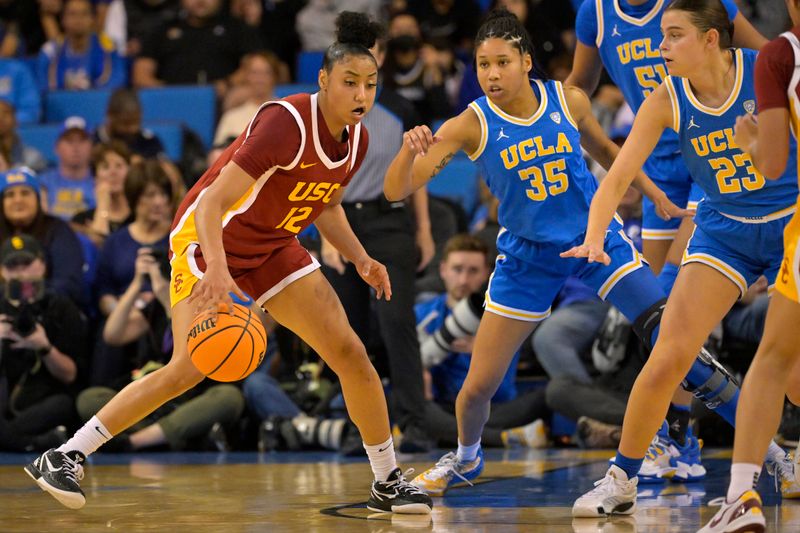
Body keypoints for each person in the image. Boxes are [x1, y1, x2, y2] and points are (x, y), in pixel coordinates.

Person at [24, 13, 432, 515]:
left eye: (370, 84)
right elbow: (214, 201)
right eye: (349, 83)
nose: (361, 95)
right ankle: (65, 455)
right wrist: (216, 270)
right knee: (186, 371)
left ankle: (386, 480)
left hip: (273, 243)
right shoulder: (286, 122)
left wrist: (362, 259)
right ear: (324, 81)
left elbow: (325, 205)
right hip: (205, 240)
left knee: (350, 353)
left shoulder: (358, 140)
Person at [383, 9, 735, 497]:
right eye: (483, 66)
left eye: (501, 62)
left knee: (671, 336)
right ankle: (466, 458)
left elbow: (611, 153)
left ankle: (724, 445)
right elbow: (396, 187)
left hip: (595, 241)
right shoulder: (470, 123)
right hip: (526, 258)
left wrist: (652, 193)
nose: (491, 75)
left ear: (526, 61)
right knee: (476, 388)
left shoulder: (567, 100)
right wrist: (407, 150)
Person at [566, 0, 800, 517]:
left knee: (793, 376)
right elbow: (619, 175)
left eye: (673, 36)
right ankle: (621, 477)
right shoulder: (665, 99)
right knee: (668, 353)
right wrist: (594, 233)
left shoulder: (765, 73)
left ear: (712, 39)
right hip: (724, 234)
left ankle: (788, 457)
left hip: (790, 224)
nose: (661, 46)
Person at [700, 2, 800, 530]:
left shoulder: (779, 56)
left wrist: (751, 142)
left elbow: (774, 165)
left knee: (773, 361)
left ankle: (742, 497)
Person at [319, 13, 436, 452]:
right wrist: (330, 239)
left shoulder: (402, 110)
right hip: (338, 219)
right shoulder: (323, 113)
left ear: (380, 60)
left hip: (389, 221)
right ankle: (359, 426)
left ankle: (415, 422)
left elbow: (417, 172)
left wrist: (423, 230)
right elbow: (315, 185)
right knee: (347, 331)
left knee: (397, 321)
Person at [415, 233, 549, 453]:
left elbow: (504, 387)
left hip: (496, 406)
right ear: (443, 270)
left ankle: (455, 436)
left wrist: (487, 349)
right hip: (445, 406)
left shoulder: (503, 317)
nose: (463, 281)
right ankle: (504, 438)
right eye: (457, 269)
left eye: (473, 271)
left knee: (548, 393)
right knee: (413, 404)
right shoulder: (423, 313)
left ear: (487, 273)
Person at [0, 234, 88, 452]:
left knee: (64, 404)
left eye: (27, 263)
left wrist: (44, 346)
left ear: (42, 265)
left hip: (47, 399)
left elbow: (70, 375)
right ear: (2, 270)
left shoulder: (60, 307)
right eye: (12, 266)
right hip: (5, 399)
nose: (21, 273)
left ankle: (12, 438)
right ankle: (40, 442)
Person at [0, 168, 86, 309]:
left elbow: (70, 284)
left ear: (38, 199)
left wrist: (24, 291)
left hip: (49, 310)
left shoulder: (58, 230)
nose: (18, 200)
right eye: (10, 195)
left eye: (25, 193)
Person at [36, 0, 127, 91]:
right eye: (72, 14)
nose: (78, 20)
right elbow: (43, 89)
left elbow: (114, 85)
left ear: (93, 19)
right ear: (63, 20)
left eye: (84, 14)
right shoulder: (49, 52)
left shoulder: (108, 48)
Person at [38, 117, 95, 221]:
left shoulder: (101, 182)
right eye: (69, 141)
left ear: (92, 147)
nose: (76, 147)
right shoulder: (42, 183)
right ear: (56, 148)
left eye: (82, 140)